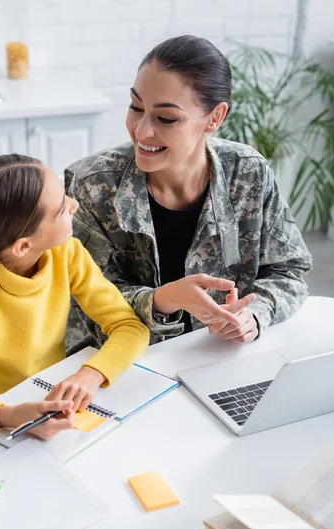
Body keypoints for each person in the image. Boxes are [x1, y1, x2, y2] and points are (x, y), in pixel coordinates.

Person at [64, 35, 311, 353]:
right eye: (136, 107)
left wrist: (255, 314)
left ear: (214, 118)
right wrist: (161, 301)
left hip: (220, 359)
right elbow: (78, 305)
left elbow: (289, 271)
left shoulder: (248, 172)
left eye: (166, 118)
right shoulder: (92, 184)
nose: (141, 130)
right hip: (121, 370)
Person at [0, 154, 149, 439]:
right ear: (23, 247)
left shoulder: (67, 254)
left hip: (49, 398)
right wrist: (9, 415)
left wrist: (90, 375)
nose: (74, 204)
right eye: (62, 208)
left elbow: (129, 326)